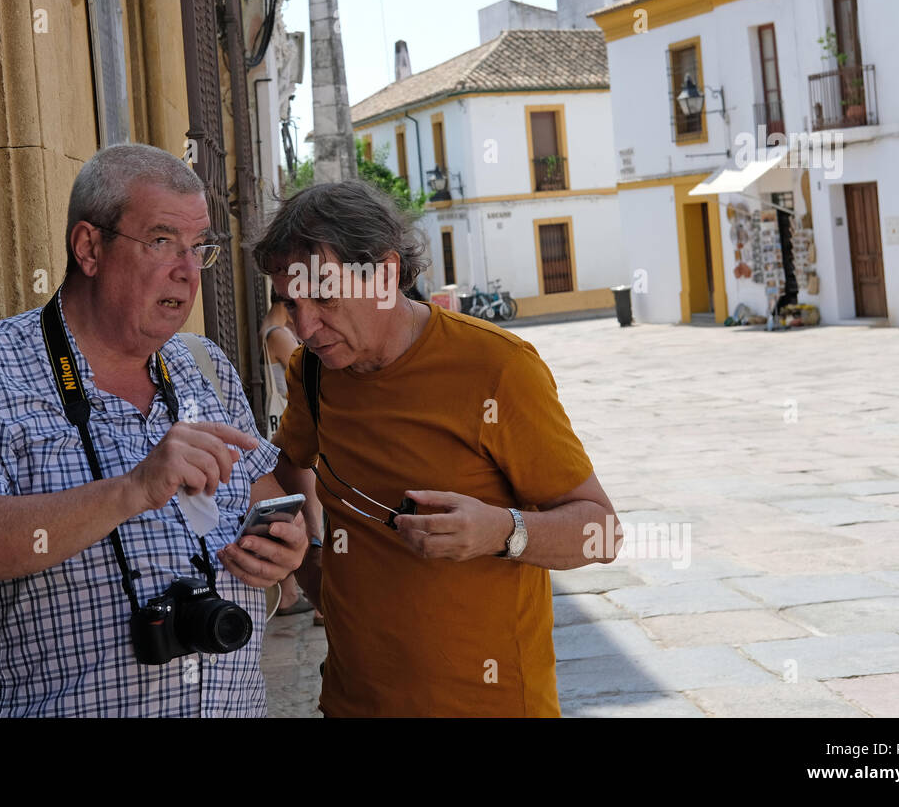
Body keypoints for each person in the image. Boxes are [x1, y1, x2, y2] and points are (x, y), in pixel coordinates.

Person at [0, 143, 308, 717]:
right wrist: (132, 489)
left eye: (199, 247)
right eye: (161, 241)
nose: (187, 269)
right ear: (89, 248)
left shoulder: (204, 365)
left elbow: (268, 501)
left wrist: (284, 548)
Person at [253, 180, 622, 718]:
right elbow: (289, 462)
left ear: (384, 273)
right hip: (353, 703)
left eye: (325, 297)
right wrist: (309, 560)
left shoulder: (498, 368)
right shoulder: (313, 372)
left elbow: (601, 532)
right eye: (291, 303)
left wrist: (501, 531)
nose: (305, 326)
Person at [260, 298, 323, 619]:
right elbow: (303, 373)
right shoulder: (279, 334)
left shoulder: (269, 328)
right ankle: (318, 603)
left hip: (289, 429)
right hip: (291, 428)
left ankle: (291, 594)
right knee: (310, 514)